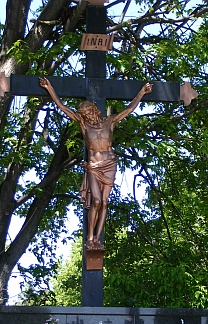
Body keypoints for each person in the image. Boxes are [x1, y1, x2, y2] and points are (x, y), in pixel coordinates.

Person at [39, 77, 152, 250]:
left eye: (89, 113)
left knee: (105, 202)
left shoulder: (110, 121)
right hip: (93, 166)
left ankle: (97, 239)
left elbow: (129, 109)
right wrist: (49, 88)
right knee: (97, 201)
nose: (88, 116)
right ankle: (90, 237)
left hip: (109, 164)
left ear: (94, 110)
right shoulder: (84, 125)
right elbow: (62, 106)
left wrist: (142, 93)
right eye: (84, 115)